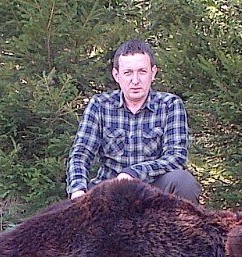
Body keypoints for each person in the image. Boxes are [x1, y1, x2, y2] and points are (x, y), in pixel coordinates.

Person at [66, 39, 202, 202]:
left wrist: (134, 173)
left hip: (154, 191)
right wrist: (78, 190)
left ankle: (183, 227)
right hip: (109, 191)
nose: (135, 80)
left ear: (153, 73)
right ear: (116, 75)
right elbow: (81, 154)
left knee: (184, 181)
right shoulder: (99, 105)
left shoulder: (170, 105)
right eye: (128, 72)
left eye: (142, 71)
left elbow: (176, 157)